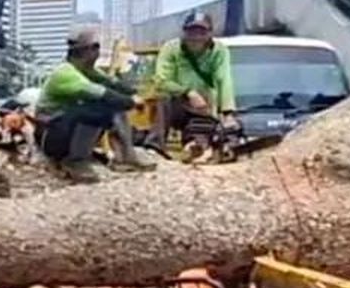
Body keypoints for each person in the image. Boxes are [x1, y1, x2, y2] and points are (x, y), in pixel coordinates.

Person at [36, 27, 148, 182]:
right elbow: (101, 93)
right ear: (85, 51)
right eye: (96, 48)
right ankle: (74, 161)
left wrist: (134, 94)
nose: (98, 53)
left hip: (63, 128)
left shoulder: (86, 71)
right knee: (93, 111)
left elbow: (112, 84)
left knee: (113, 106)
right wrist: (131, 102)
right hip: (50, 133)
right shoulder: (65, 73)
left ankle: (125, 157)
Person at [153, 11, 237, 161]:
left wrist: (227, 112)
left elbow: (224, 79)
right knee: (162, 97)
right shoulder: (171, 49)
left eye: (201, 33)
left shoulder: (219, 51)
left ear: (210, 34)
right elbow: (161, 80)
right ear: (184, 33)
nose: (196, 37)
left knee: (200, 142)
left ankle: (196, 146)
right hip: (176, 103)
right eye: (192, 32)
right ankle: (154, 146)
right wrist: (188, 92)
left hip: (203, 107)